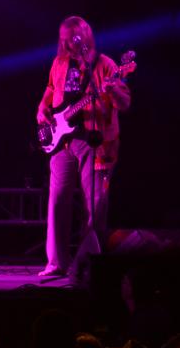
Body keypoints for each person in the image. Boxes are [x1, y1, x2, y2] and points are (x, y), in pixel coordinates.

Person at [35, 16, 131, 278]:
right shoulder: (59, 62)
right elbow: (50, 89)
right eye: (63, 40)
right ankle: (57, 263)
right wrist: (42, 107)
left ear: (84, 37)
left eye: (71, 40)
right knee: (57, 200)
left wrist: (112, 90)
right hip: (62, 141)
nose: (67, 45)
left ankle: (87, 265)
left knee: (95, 205)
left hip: (93, 142)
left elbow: (124, 104)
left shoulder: (105, 64)